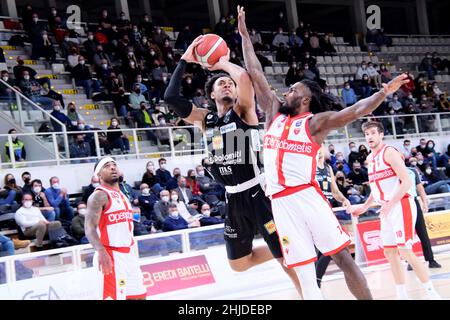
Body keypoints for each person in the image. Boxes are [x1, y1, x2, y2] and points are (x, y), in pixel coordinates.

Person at [238, 5, 410, 300]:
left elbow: (356, 110)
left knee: (341, 257)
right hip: (280, 202)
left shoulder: (315, 123)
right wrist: (244, 35)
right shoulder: (273, 113)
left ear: (304, 98)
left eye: (292, 90)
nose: (286, 93)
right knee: (305, 272)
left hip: (306, 196)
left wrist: (383, 93)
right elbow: (255, 73)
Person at [164, 31, 303, 297]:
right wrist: (183, 60)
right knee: (238, 263)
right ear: (211, 95)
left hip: (258, 193)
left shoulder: (243, 110)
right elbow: (171, 98)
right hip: (233, 199)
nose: (227, 85)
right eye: (221, 83)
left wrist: (223, 63)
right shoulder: (204, 120)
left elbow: (244, 79)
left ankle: (306, 289)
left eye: (230, 83)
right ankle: (288, 247)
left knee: (286, 262)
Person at [353, 121, 441, 300]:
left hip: (401, 205)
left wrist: (390, 202)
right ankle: (402, 294)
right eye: (366, 134)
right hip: (386, 209)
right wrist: (364, 206)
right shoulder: (370, 159)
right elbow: (375, 190)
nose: (369, 137)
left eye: (372, 133)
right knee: (389, 252)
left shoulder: (390, 152)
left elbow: (407, 182)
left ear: (381, 135)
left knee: (406, 250)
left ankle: (431, 292)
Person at [85, 157, 146, 300]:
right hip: (111, 255)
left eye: (114, 165)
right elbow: (89, 228)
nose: (113, 167)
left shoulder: (122, 194)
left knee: (138, 296)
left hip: (128, 254)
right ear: (98, 175)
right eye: (107, 166)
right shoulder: (98, 196)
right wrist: (101, 251)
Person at [315, 145, 353, 286]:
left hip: (328, 209)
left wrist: (345, 200)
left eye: (320, 147)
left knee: (324, 249)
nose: (318, 151)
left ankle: (314, 283)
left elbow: (335, 192)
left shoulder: (328, 168)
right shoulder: (308, 167)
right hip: (315, 210)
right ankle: (316, 282)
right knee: (332, 246)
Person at [405, 167, 441, 270]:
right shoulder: (392, 171)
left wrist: (425, 203)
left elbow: (420, 188)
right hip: (401, 204)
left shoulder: (412, 171)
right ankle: (410, 262)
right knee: (406, 235)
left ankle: (431, 260)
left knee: (422, 231)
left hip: (413, 201)